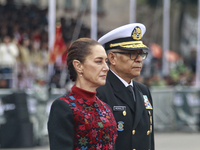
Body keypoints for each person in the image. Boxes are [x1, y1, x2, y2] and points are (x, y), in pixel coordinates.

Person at [48, 38, 117, 150]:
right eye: (99, 61)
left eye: (106, 61)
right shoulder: (63, 107)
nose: (106, 68)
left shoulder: (106, 108)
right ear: (78, 66)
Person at [96, 23, 155, 150]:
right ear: (112, 58)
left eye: (141, 54)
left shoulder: (143, 91)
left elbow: (149, 140)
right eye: (132, 54)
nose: (139, 59)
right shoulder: (100, 92)